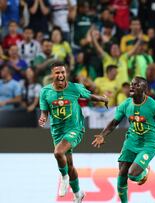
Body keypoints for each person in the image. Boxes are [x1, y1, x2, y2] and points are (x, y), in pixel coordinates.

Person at [91, 76, 155, 203]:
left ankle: (144, 172)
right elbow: (114, 122)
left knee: (132, 175)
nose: (132, 86)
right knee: (122, 173)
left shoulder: (154, 105)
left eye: (137, 85)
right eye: (131, 84)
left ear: (145, 89)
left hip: (148, 144)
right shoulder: (126, 104)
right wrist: (102, 135)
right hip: (131, 142)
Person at [38, 61, 108, 203]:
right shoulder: (45, 92)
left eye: (63, 72)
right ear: (52, 74)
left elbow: (89, 96)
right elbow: (44, 111)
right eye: (57, 72)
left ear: (66, 73)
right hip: (57, 131)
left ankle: (64, 179)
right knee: (69, 165)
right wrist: (43, 117)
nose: (61, 75)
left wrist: (102, 98)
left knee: (58, 153)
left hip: (74, 128)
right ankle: (78, 194)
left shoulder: (74, 88)